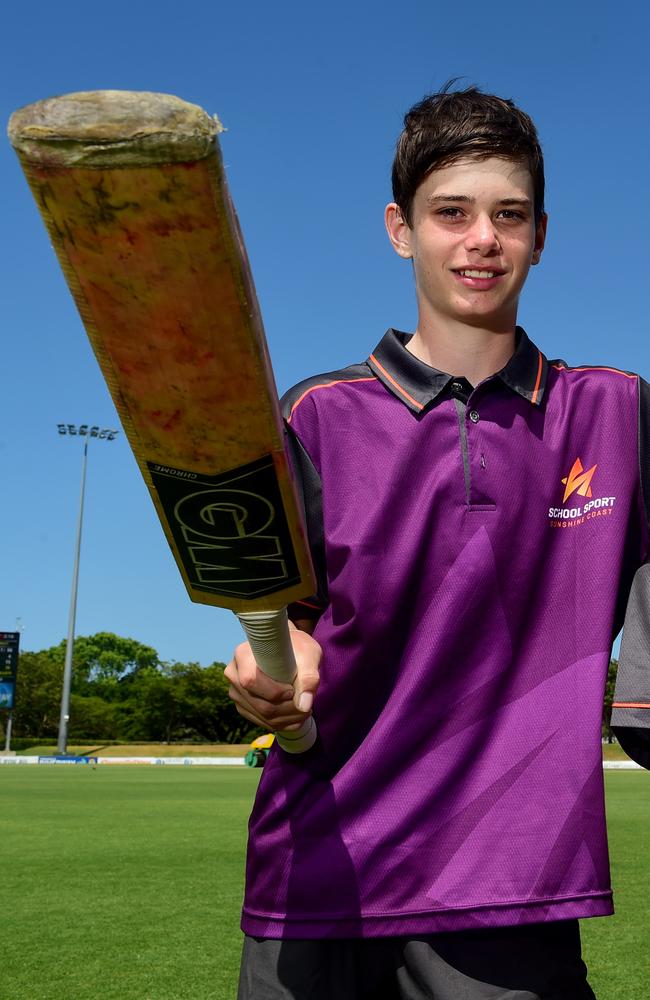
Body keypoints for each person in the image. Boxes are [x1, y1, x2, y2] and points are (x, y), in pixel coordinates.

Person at [226, 85, 650, 1000]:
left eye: (510, 214)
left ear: (542, 232)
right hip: (318, 875)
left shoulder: (616, 412)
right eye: (450, 213)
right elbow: (290, 626)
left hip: (512, 892)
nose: (482, 239)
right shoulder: (316, 416)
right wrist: (270, 670)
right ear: (400, 229)